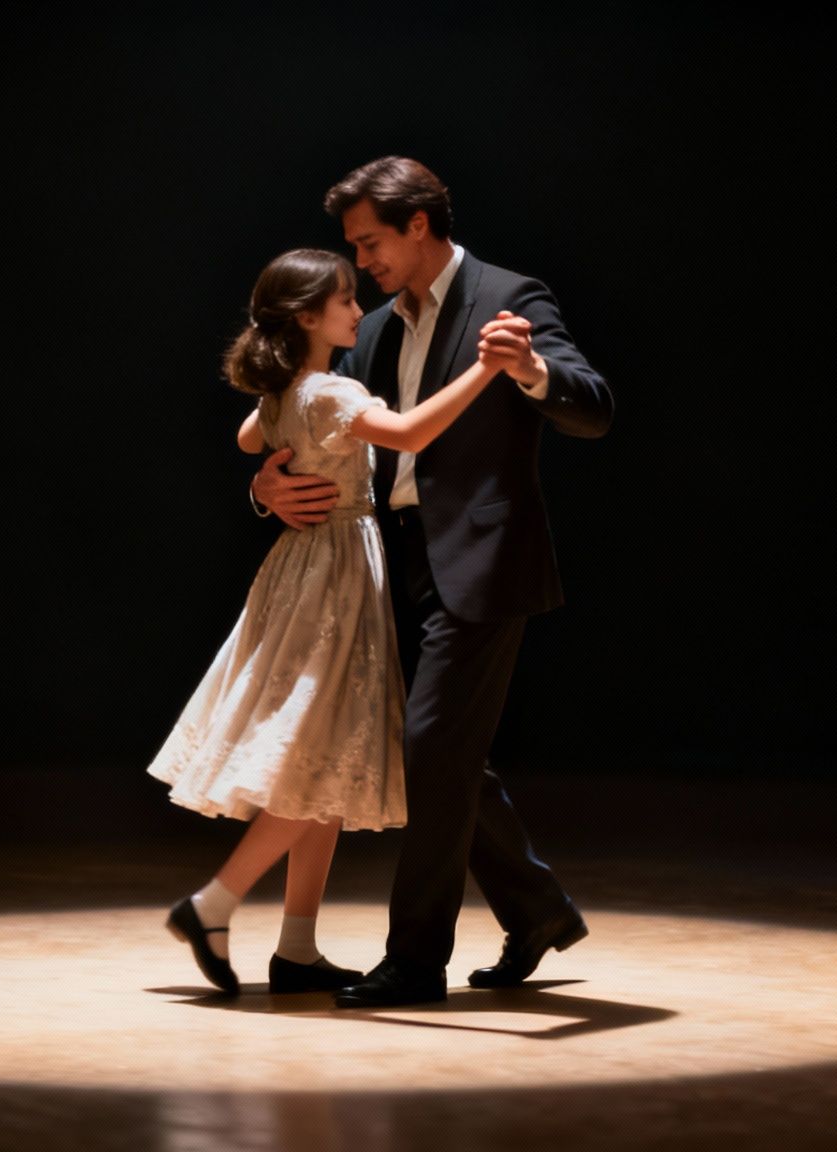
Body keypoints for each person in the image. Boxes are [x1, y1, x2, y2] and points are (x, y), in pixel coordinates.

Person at [251, 157, 615, 1008]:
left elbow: (592, 405)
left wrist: (528, 371)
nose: (362, 261)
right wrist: (265, 486)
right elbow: (303, 423)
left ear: (419, 225)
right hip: (385, 563)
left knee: (432, 751)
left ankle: (415, 960)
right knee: (435, 756)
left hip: (483, 563)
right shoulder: (372, 330)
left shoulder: (509, 297)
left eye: (370, 242)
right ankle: (539, 910)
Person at [149, 247, 513, 995]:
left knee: (327, 761)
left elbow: (251, 438)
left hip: (300, 568)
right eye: (344, 301)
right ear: (310, 317)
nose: (358, 311)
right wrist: (487, 369)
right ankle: (213, 902)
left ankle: (298, 949)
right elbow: (410, 434)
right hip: (338, 571)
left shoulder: (289, 391)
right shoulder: (333, 391)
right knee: (314, 751)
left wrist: (277, 468)